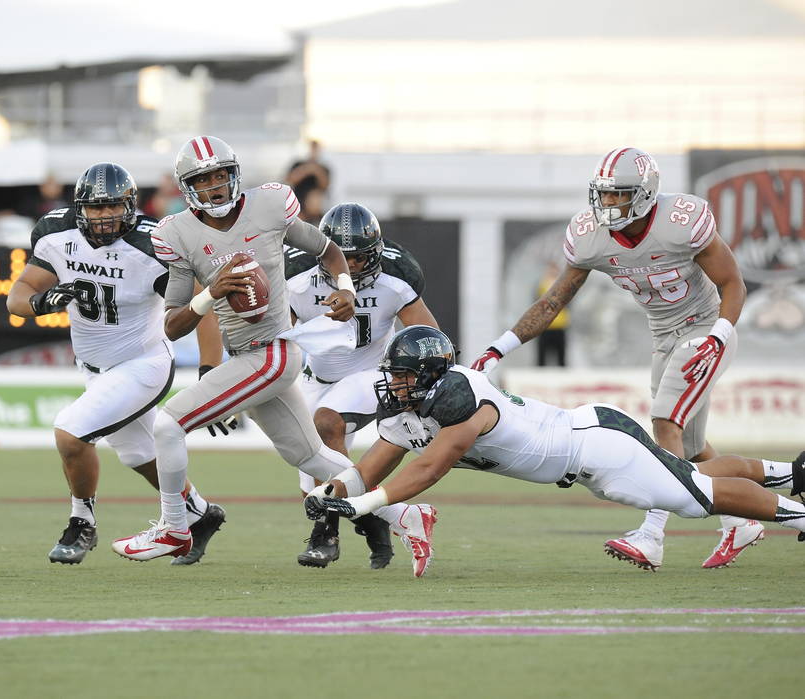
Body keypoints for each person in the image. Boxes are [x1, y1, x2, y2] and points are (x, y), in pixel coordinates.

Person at [110, 136, 437, 575]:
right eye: (203, 179)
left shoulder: (269, 205)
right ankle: (404, 515)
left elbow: (328, 249)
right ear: (188, 187)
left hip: (274, 353)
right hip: (246, 354)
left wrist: (343, 289)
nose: (215, 187)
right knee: (312, 458)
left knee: (168, 425)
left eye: (221, 175)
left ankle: (175, 525)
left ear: (234, 174)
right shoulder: (176, 234)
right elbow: (172, 324)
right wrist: (210, 295)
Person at [307, 326, 805, 575]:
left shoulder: (460, 393)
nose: (394, 385)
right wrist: (332, 491)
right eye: (393, 376)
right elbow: (369, 469)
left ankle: (798, 514)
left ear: (433, 372)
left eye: (404, 376)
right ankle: (788, 473)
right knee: (692, 480)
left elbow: (431, 467)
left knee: (698, 496)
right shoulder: (406, 411)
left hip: (599, 450)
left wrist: (362, 505)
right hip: (587, 449)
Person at [469, 147, 761, 570]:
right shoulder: (591, 237)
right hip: (663, 336)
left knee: (665, 424)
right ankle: (742, 520)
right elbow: (552, 303)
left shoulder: (681, 222)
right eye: (603, 195)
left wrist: (717, 337)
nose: (608, 204)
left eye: (618, 195)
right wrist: (499, 348)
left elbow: (733, 283)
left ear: (644, 194)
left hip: (705, 328)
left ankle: (652, 534)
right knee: (694, 451)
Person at [6, 162, 226, 566]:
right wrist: (41, 302)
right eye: (96, 208)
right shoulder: (57, 232)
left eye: (114, 207)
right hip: (93, 367)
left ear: (131, 206)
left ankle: (81, 521)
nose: (105, 217)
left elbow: (203, 307)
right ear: (79, 208)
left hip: (143, 362)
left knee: (71, 434)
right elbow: (18, 295)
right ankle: (198, 512)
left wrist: (210, 372)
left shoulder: (152, 245)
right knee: (138, 454)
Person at [285, 202, 439, 569]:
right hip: (315, 377)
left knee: (325, 425)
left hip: (373, 372)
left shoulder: (398, 272)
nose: (350, 267)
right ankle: (383, 520)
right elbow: (279, 334)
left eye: (359, 258)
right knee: (311, 472)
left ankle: (327, 534)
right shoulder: (295, 272)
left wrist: (428, 384)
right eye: (343, 257)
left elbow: (427, 334)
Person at [535, 261, 568, 367]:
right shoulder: (542, 284)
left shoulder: (563, 285)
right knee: (542, 358)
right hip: (545, 326)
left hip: (559, 326)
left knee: (561, 358)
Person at [285, 140, 331, 209]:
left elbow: (325, 185)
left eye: (316, 149)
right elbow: (290, 180)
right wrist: (307, 169)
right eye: (312, 148)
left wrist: (316, 171)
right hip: (298, 206)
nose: (313, 151)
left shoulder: (323, 167)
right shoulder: (298, 164)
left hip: (315, 207)